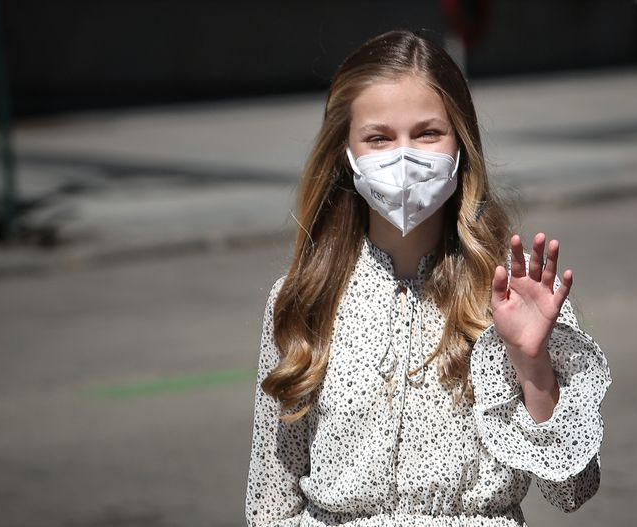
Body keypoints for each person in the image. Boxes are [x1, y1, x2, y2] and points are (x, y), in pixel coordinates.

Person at [245, 30, 611, 527]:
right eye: (378, 138)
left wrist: (533, 366)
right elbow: (270, 504)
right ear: (345, 154)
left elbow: (573, 490)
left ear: (460, 143)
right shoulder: (304, 298)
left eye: (427, 133)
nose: (403, 156)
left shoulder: (512, 293)